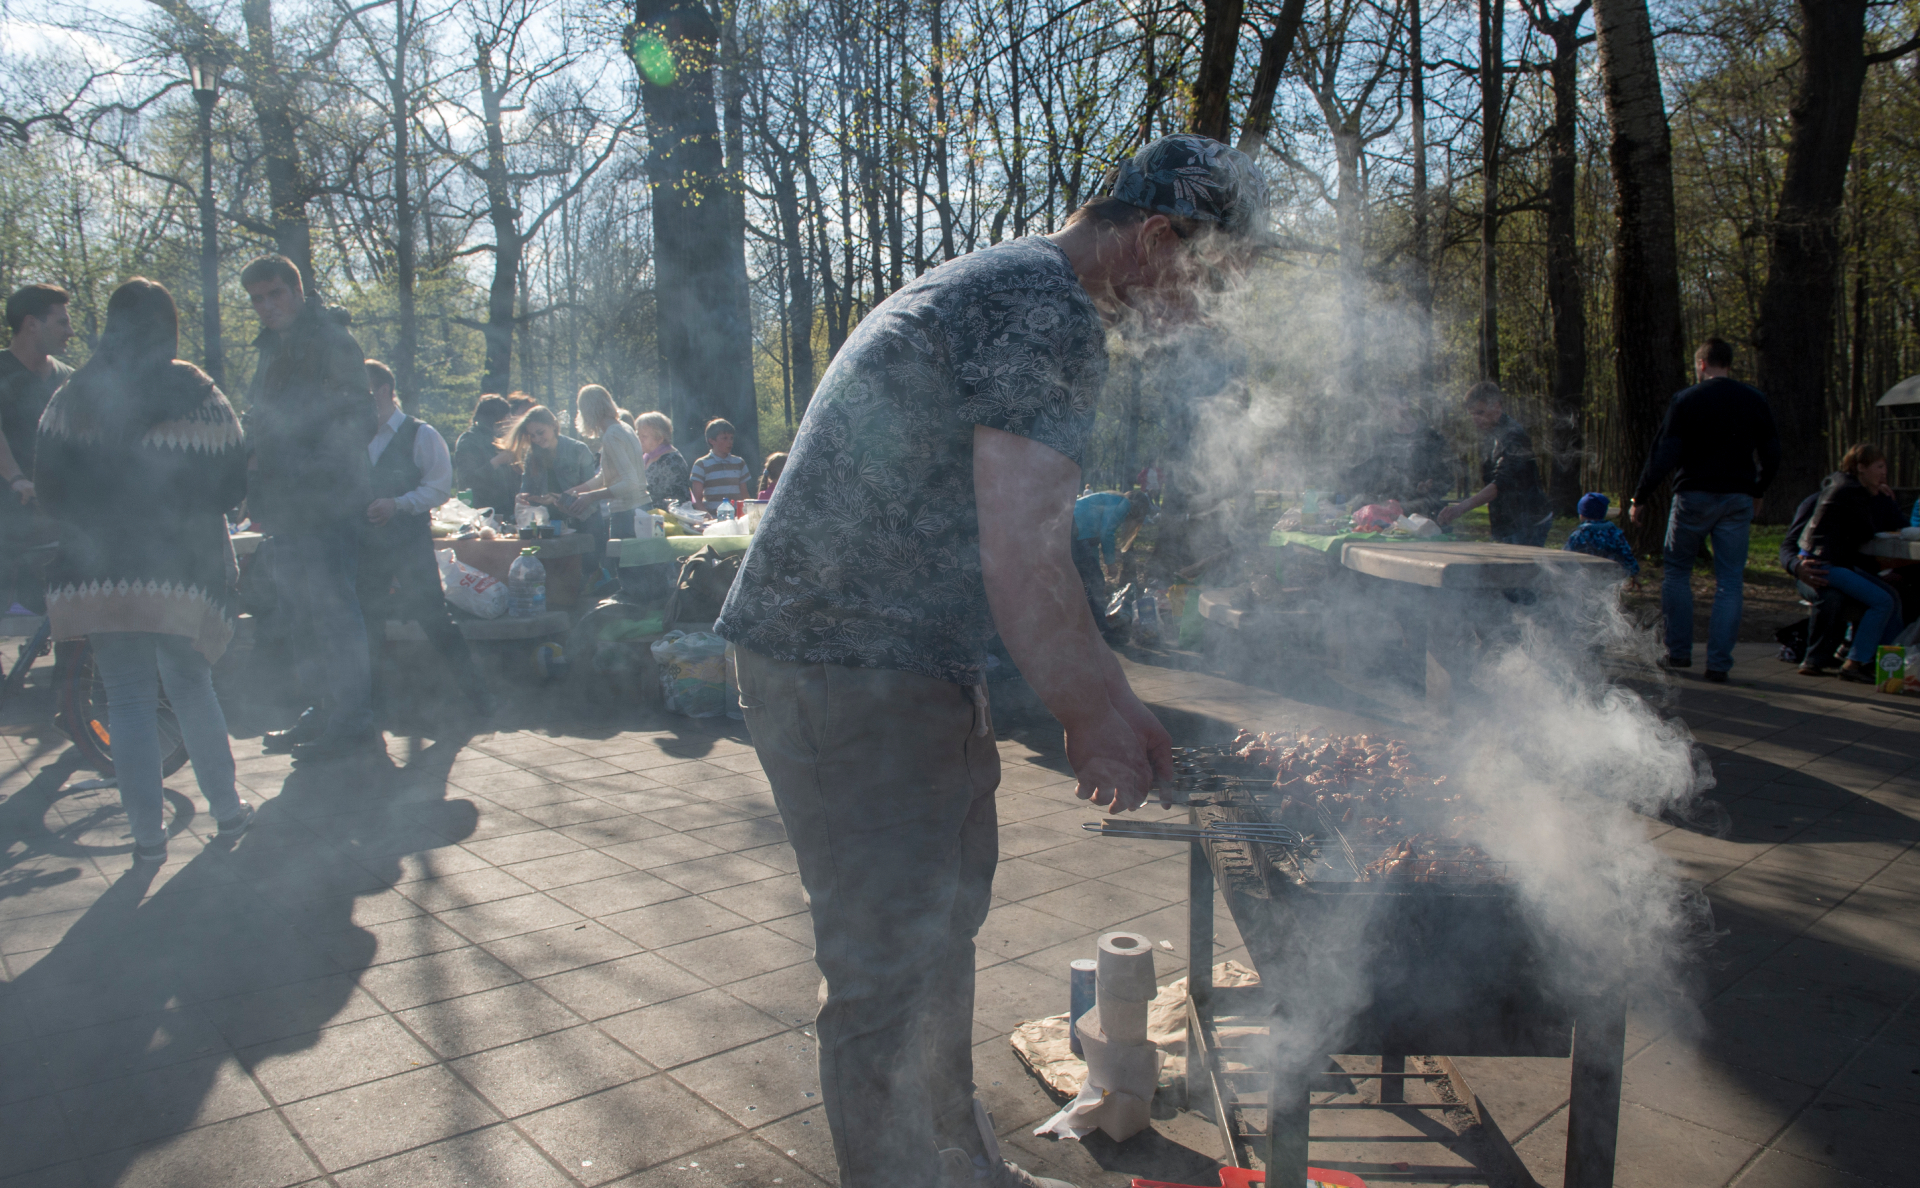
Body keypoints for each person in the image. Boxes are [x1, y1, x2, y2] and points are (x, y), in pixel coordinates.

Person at [717, 132, 1266, 1188]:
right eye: (1208, 284)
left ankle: (954, 1165)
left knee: (942, 931)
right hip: (845, 669)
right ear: (1155, 239)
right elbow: (1024, 553)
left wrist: (1106, 698)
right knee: (885, 970)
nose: (1201, 315)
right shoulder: (1044, 309)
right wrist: (1093, 711)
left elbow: (1028, 552)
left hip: (902, 666)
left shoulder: (1016, 281)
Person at [35, 278, 252, 863]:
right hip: (181, 573)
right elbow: (234, 484)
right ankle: (228, 812)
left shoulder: (72, 396)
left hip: (99, 576)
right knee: (190, 685)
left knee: (127, 700)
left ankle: (148, 838)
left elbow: (50, 490)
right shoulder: (201, 394)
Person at [242, 254, 381, 760]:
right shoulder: (270, 349)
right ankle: (323, 711)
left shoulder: (332, 340)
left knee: (333, 612)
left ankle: (352, 721)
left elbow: (360, 418)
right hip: (286, 505)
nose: (266, 306)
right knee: (301, 614)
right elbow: (265, 417)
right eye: (257, 299)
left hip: (327, 503)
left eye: (274, 294)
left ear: (297, 291)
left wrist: (307, 468)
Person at [1629, 338, 1782, 682]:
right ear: (1729, 363)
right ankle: (1718, 664)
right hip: (1737, 496)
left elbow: (1664, 453)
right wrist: (1758, 489)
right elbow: (1772, 452)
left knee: (1678, 573)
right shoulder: (1754, 400)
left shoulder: (1686, 400)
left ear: (1701, 364)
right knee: (1730, 581)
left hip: (1693, 494)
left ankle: (1678, 651)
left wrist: (1641, 495)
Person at [359, 359, 490, 718]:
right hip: (364, 545)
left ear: (383, 390)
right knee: (366, 621)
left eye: (363, 390)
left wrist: (398, 504)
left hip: (406, 541)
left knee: (433, 617)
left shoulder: (421, 434)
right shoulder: (353, 435)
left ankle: (480, 700)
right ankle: (372, 706)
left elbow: (437, 489)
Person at [1797, 443, 1904, 683]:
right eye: (1879, 466)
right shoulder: (1851, 492)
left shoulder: (1843, 485)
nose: (1884, 472)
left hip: (1831, 561)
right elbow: (1867, 531)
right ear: (1861, 468)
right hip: (1826, 564)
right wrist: (1877, 497)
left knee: (1891, 596)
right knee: (1882, 601)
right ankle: (1854, 662)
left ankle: (1879, 662)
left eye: (1885, 466)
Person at [1436, 382, 1551, 546]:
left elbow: (1500, 484)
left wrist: (1461, 508)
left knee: (1519, 570)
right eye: (1472, 414)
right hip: (1507, 522)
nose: (1476, 418)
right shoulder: (1492, 434)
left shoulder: (1514, 436)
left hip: (1528, 521)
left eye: (1480, 412)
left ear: (1496, 406)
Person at [1779, 488, 1872, 677]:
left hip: (1852, 572)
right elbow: (1788, 545)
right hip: (1812, 572)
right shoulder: (1814, 503)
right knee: (1830, 595)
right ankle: (1815, 659)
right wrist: (1797, 566)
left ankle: (1861, 656)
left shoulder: (1868, 502)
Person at [1, 284, 73, 513]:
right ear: (31, 323)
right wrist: (16, 478)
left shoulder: (70, 380)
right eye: (62, 322)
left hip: (57, 523)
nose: (70, 332)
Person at [566, 385, 649, 537]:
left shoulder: (612, 435)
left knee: (620, 560)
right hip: (641, 510)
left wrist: (591, 497)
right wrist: (572, 493)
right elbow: (604, 477)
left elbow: (630, 483)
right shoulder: (624, 428)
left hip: (627, 514)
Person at [500, 405, 598, 531]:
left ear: (553, 425)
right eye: (532, 436)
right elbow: (527, 487)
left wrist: (560, 497)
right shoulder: (532, 456)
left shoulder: (578, 449)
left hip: (584, 521)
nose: (537, 439)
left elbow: (592, 488)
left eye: (540, 433)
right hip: (550, 524)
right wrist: (522, 497)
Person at [1072, 489, 1151, 636]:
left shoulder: (1111, 501)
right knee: (1094, 584)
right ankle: (1101, 629)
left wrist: (1099, 570)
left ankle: (1086, 626)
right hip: (1075, 530)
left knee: (1088, 582)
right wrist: (1110, 564)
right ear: (1139, 508)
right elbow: (1107, 532)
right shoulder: (1125, 504)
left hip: (1074, 531)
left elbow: (1092, 547)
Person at [452, 393, 519, 520]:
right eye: (504, 418)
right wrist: (496, 462)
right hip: (479, 512)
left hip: (505, 511)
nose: (506, 423)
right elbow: (468, 480)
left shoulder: (498, 439)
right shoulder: (469, 440)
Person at [1561, 493, 1640, 584]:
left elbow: (1565, 557)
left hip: (1584, 578)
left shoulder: (1579, 535)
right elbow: (1626, 554)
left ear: (1582, 514)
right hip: (1611, 578)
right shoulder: (1615, 533)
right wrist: (1634, 574)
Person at [689, 418, 750, 512]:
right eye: (725, 438)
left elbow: (745, 495)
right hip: (713, 519)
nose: (730, 442)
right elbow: (697, 499)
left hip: (736, 518)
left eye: (731, 438)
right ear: (712, 441)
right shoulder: (701, 464)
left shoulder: (739, 462)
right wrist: (707, 516)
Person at [635, 410, 690, 510]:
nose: (639, 439)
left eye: (644, 436)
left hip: (667, 520)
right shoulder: (646, 457)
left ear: (660, 438)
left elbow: (678, 500)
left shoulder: (672, 461)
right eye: (638, 435)